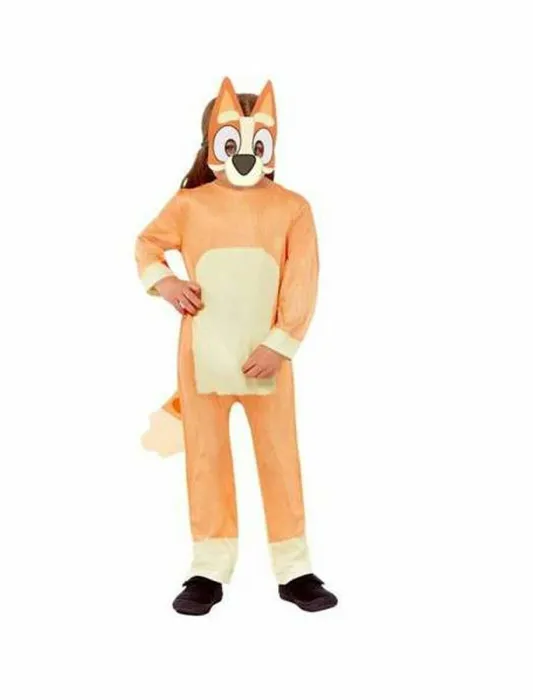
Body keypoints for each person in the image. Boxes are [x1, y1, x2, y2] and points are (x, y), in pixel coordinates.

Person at [135, 78, 337, 615]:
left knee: (280, 457)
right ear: (213, 141)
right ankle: (208, 568)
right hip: (203, 357)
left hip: (268, 360)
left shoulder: (292, 208)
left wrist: (281, 343)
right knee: (206, 458)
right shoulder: (189, 205)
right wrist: (166, 282)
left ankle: (294, 568)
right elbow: (147, 244)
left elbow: (302, 279)